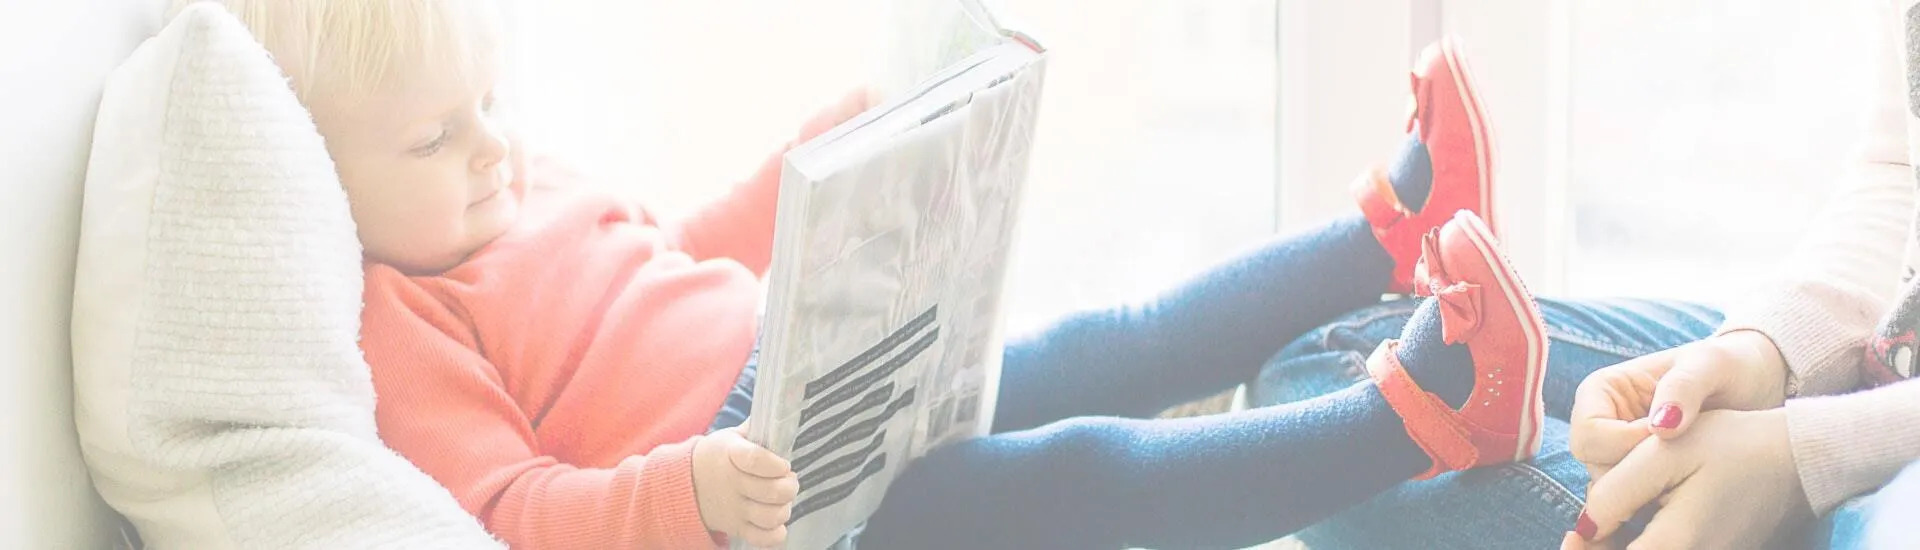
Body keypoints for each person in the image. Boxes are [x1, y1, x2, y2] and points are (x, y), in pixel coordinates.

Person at [186, 0, 1563, 547]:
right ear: (321, 180)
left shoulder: (505, 186)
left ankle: (1384, 232)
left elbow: (662, 254)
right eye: (436, 137)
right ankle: (1426, 414)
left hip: (824, 372)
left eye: (487, 103)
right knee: (1081, 470)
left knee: (1108, 336)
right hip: (778, 502)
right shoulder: (394, 314)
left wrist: (810, 169)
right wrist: (680, 494)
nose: (490, 149)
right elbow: (510, 510)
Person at [1254, 1, 1920, 548]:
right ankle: (1388, 241)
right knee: (1320, 370)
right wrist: (1765, 353)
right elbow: (1899, 168)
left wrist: (1804, 458)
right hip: (1882, 359)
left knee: (1342, 458)